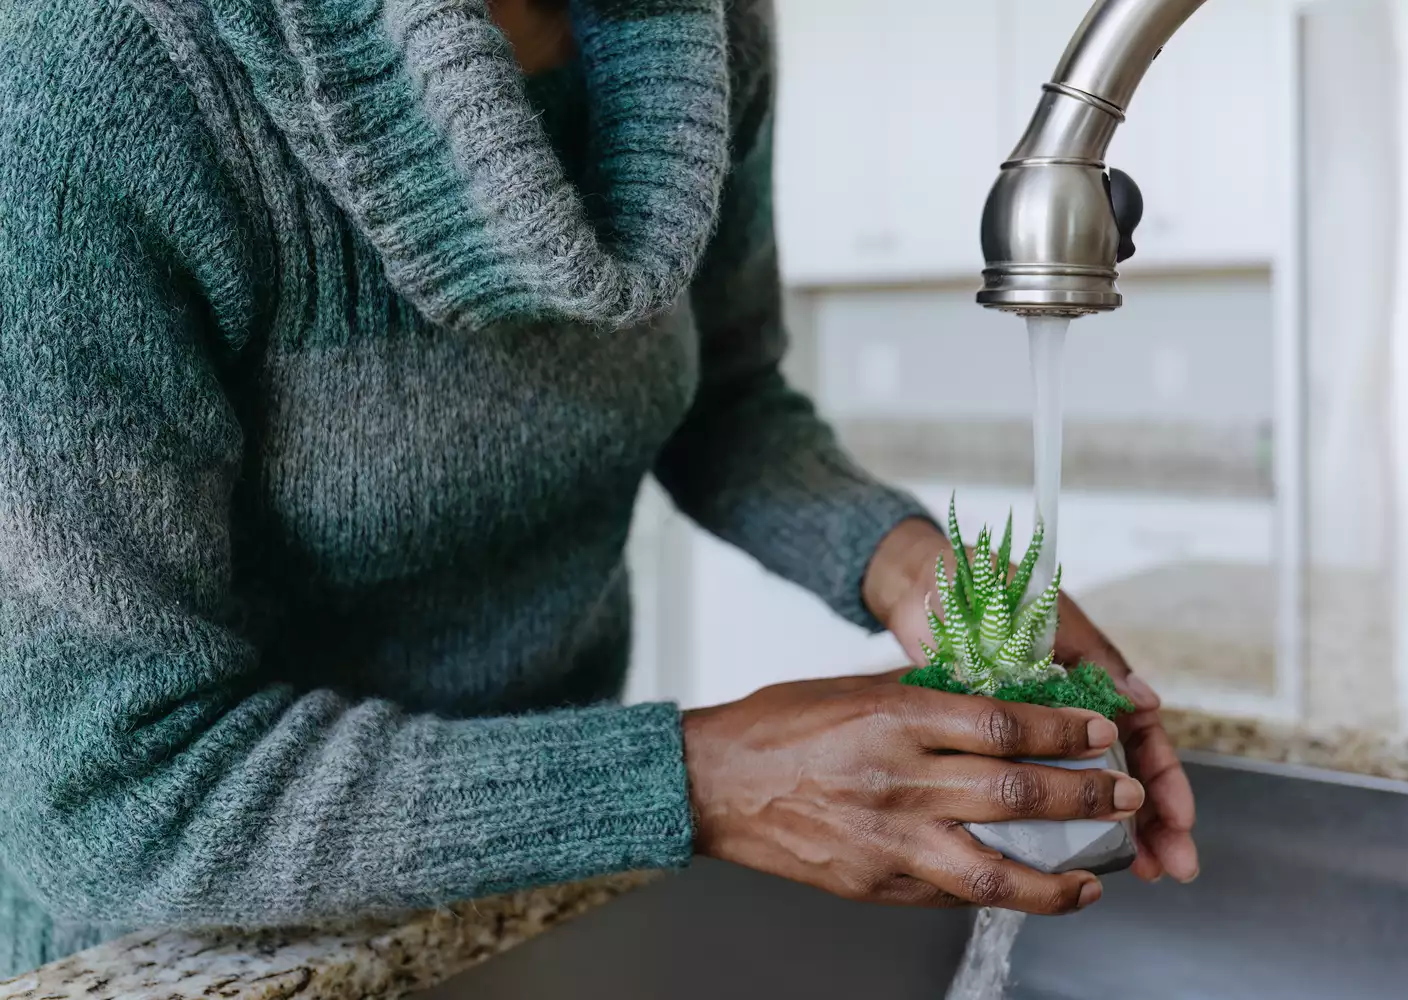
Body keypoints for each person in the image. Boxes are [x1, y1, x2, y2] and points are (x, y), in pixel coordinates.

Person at [0, 0, 1197, 975]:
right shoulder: (98, 76)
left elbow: (725, 398)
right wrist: (704, 778)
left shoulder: (706, 31)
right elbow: (111, 793)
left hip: (531, 900)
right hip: (193, 953)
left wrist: (914, 567)